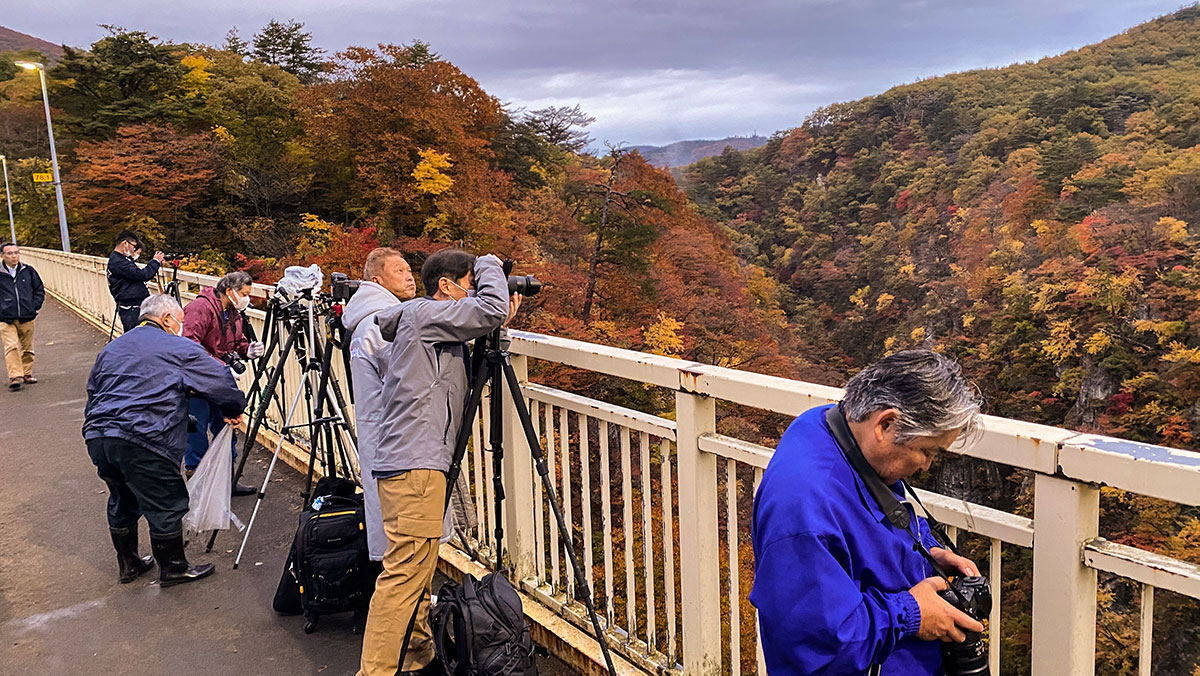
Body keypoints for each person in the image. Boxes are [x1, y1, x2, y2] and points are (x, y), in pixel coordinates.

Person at [751, 350, 985, 676]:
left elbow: (866, 520)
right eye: (927, 450)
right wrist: (911, 614)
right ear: (886, 424)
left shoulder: (830, 427)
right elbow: (818, 647)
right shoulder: (805, 506)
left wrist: (924, 550)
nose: (927, 465)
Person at [357, 249, 517, 676]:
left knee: (416, 571)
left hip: (413, 464)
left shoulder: (428, 325)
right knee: (404, 575)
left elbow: (487, 321)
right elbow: (490, 308)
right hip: (415, 467)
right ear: (446, 286)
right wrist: (490, 264)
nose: (473, 293)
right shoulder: (423, 316)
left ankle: (416, 658)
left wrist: (496, 319)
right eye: (469, 283)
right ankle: (375, 672)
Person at [84, 294, 246, 587]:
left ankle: (129, 563)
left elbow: (95, 391)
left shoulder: (113, 348)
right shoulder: (177, 347)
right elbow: (219, 378)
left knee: (122, 496)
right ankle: (173, 567)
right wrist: (233, 409)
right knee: (166, 501)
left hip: (99, 435)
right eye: (180, 322)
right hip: (144, 437)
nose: (182, 328)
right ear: (167, 319)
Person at [181, 270, 263, 495]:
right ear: (230, 291)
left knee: (227, 429)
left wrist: (249, 350)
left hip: (221, 382)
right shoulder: (201, 308)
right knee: (196, 433)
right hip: (198, 382)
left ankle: (228, 482)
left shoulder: (233, 312)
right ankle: (197, 486)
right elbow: (188, 345)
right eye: (245, 293)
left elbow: (236, 343)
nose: (247, 298)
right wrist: (218, 366)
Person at [0, 242, 43, 391]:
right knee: (11, 346)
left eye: (16, 252)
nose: (14, 256)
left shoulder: (28, 271)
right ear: (2, 256)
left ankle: (27, 373)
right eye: (10, 253)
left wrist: (34, 306)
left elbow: (39, 290)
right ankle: (15, 376)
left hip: (26, 314)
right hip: (5, 317)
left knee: (27, 347)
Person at [107, 230, 165, 333]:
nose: (134, 248)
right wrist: (155, 262)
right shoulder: (118, 262)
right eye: (133, 245)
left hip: (132, 306)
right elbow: (142, 275)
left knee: (139, 336)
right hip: (131, 308)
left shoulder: (120, 259)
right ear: (125, 243)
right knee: (135, 337)